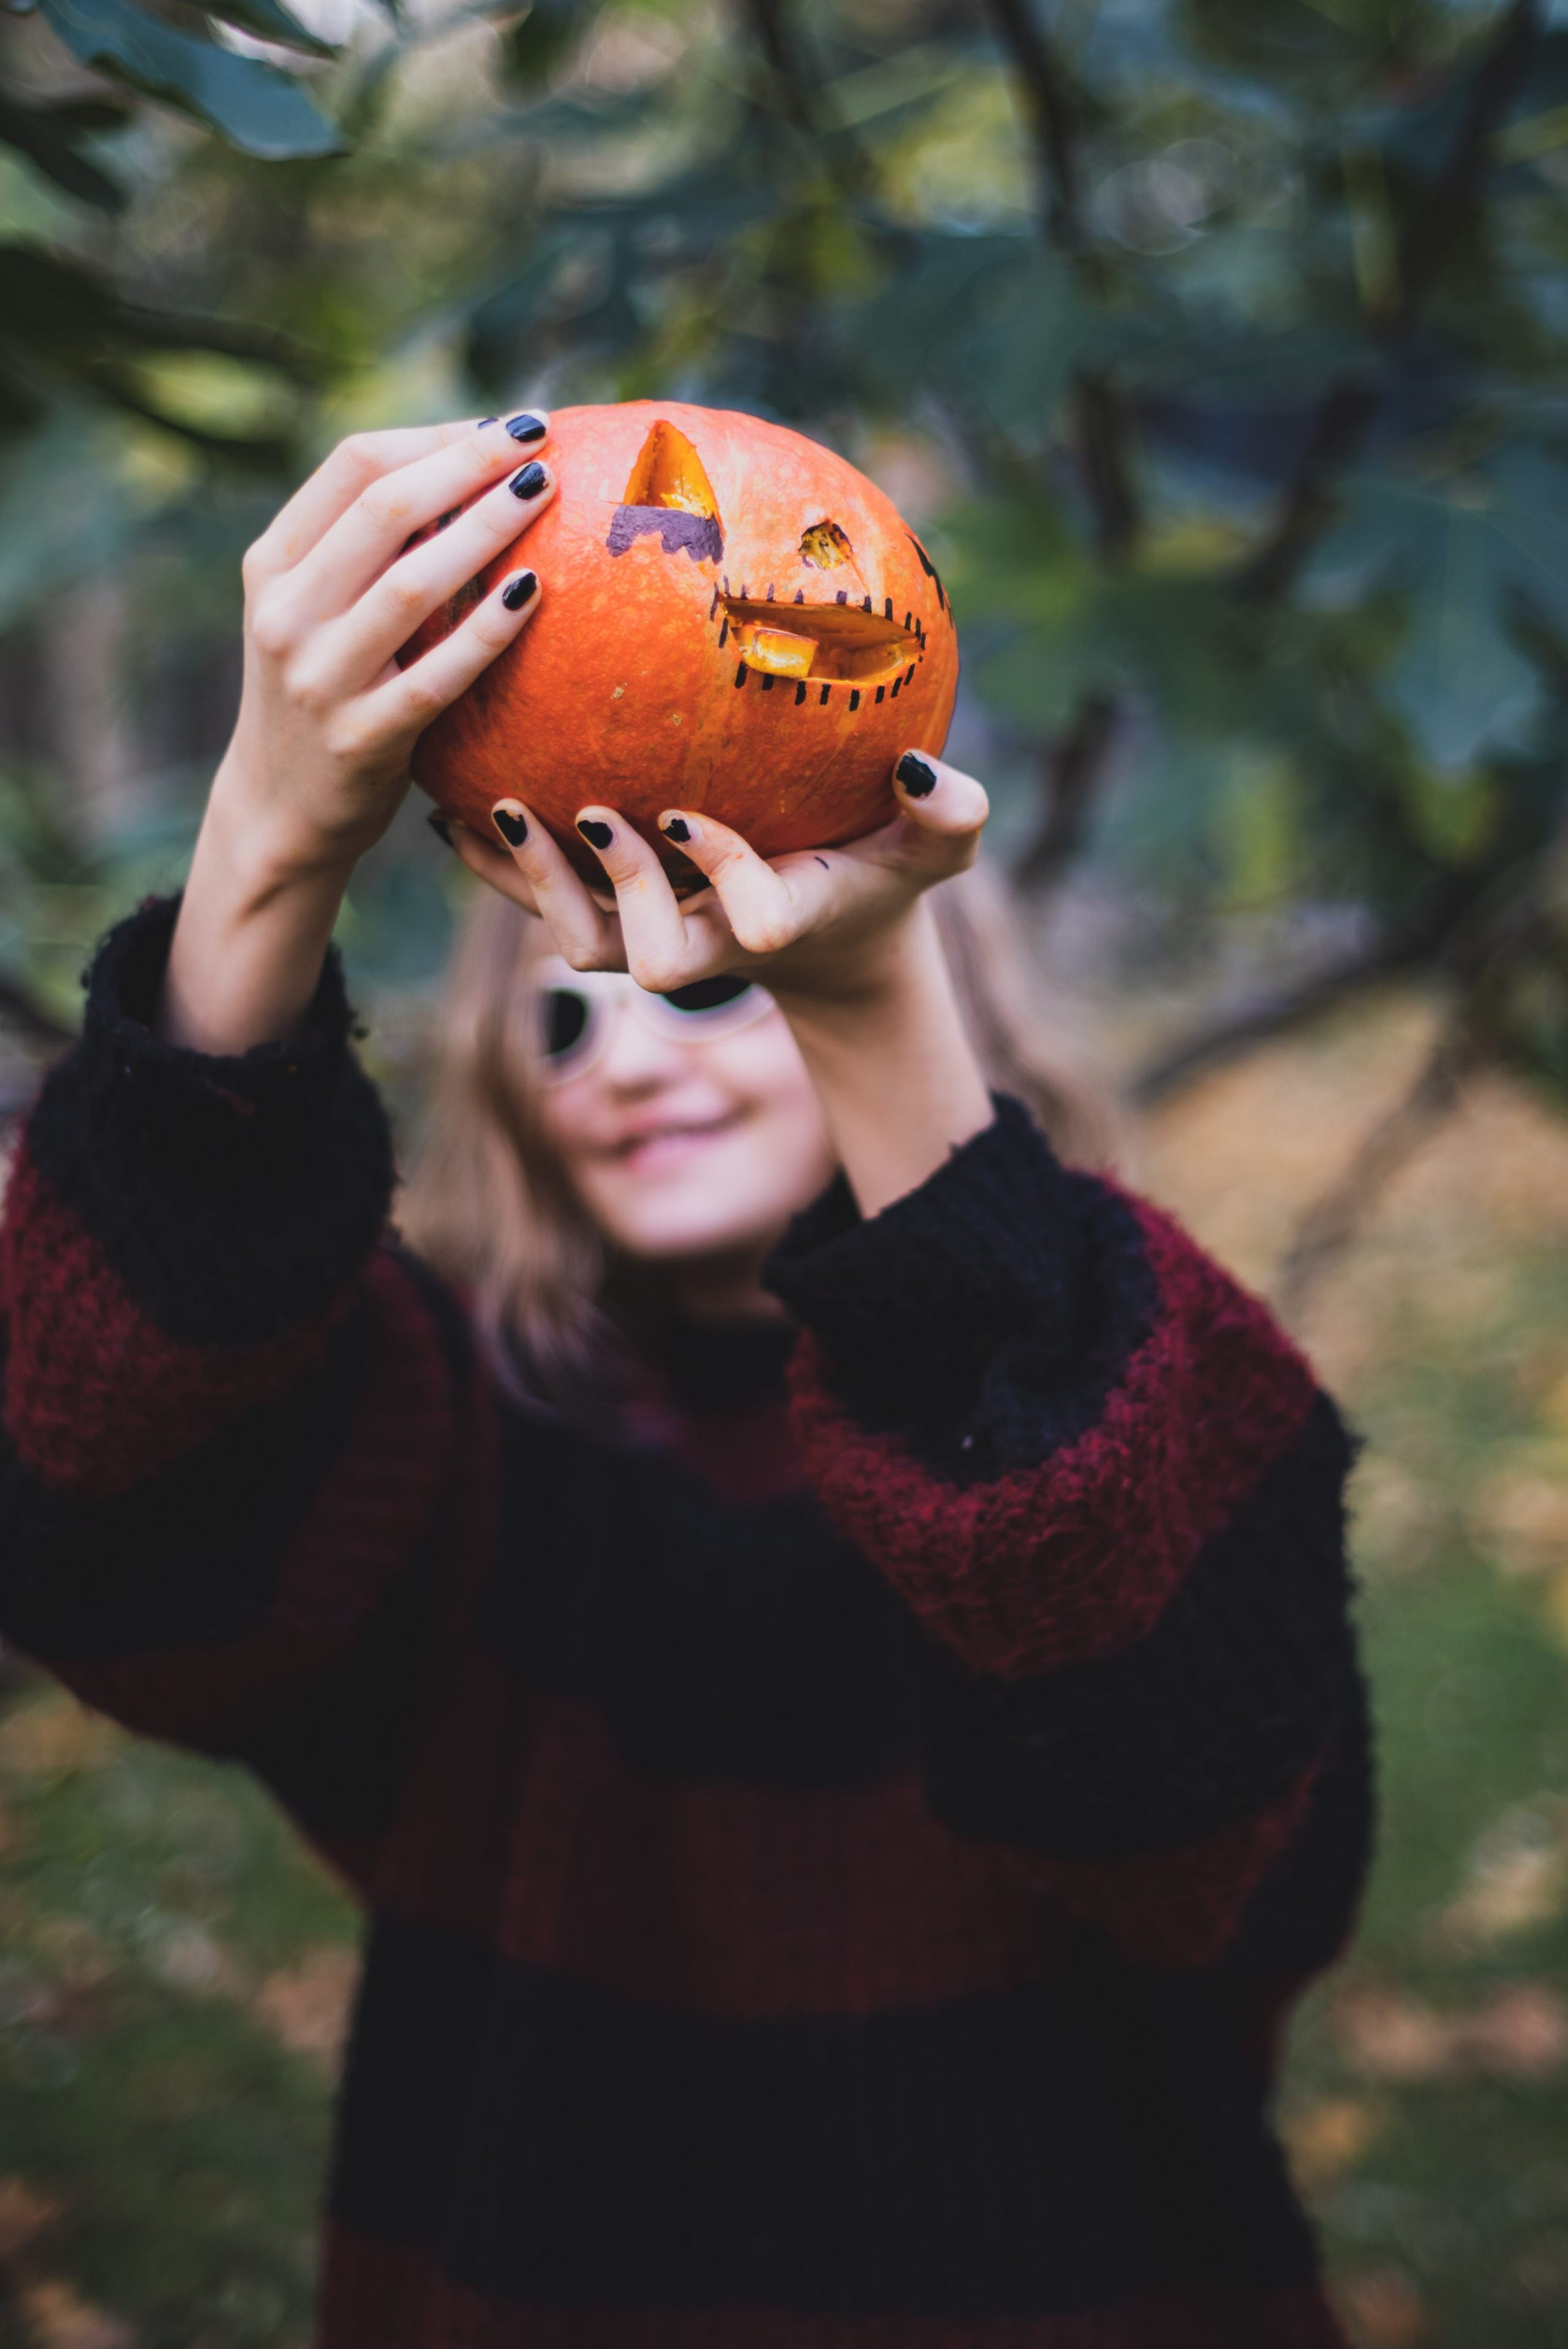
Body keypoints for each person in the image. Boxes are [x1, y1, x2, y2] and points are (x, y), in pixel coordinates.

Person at [0, 413, 1373, 2348]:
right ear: (508, 1098)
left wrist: (867, 987)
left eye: (708, 984)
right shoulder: (439, 1421)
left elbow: (1201, 1800)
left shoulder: (1127, 1366)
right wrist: (267, 848)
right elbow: (106, 1504)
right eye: (564, 1016)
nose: (628, 1055)